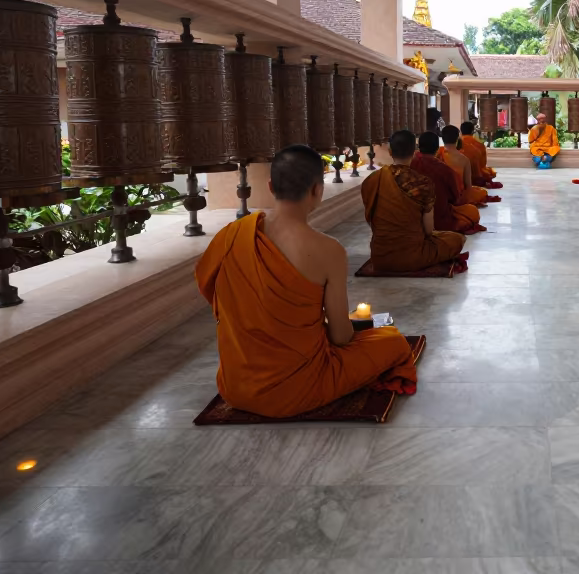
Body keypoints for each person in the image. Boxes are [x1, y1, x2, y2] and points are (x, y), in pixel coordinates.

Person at [195, 145, 418, 418]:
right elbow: (341, 337)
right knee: (393, 342)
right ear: (317, 190)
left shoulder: (231, 236)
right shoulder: (329, 250)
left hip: (236, 387)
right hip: (296, 389)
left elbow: (215, 295)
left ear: (270, 186)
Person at [361, 130, 466, 272]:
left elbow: (370, 220)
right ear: (415, 152)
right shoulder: (423, 183)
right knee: (457, 239)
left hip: (380, 256)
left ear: (390, 152)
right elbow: (428, 230)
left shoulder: (371, 181)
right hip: (414, 255)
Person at [412, 131, 481, 233]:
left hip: (412, 218)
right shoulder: (445, 170)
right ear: (437, 148)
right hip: (439, 218)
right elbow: (455, 198)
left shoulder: (410, 165)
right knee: (472, 211)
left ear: (418, 147)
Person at [437, 125, 492, 205]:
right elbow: (468, 187)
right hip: (457, 198)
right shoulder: (464, 160)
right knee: (481, 193)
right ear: (457, 139)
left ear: (442, 138)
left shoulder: (437, 155)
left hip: (438, 197)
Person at [459, 120, 497, 186]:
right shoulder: (480, 145)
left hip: (459, 176)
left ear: (461, 131)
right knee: (491, 171)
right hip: (476, 177)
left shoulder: (456, 145)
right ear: (472, 131)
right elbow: (483, 164)